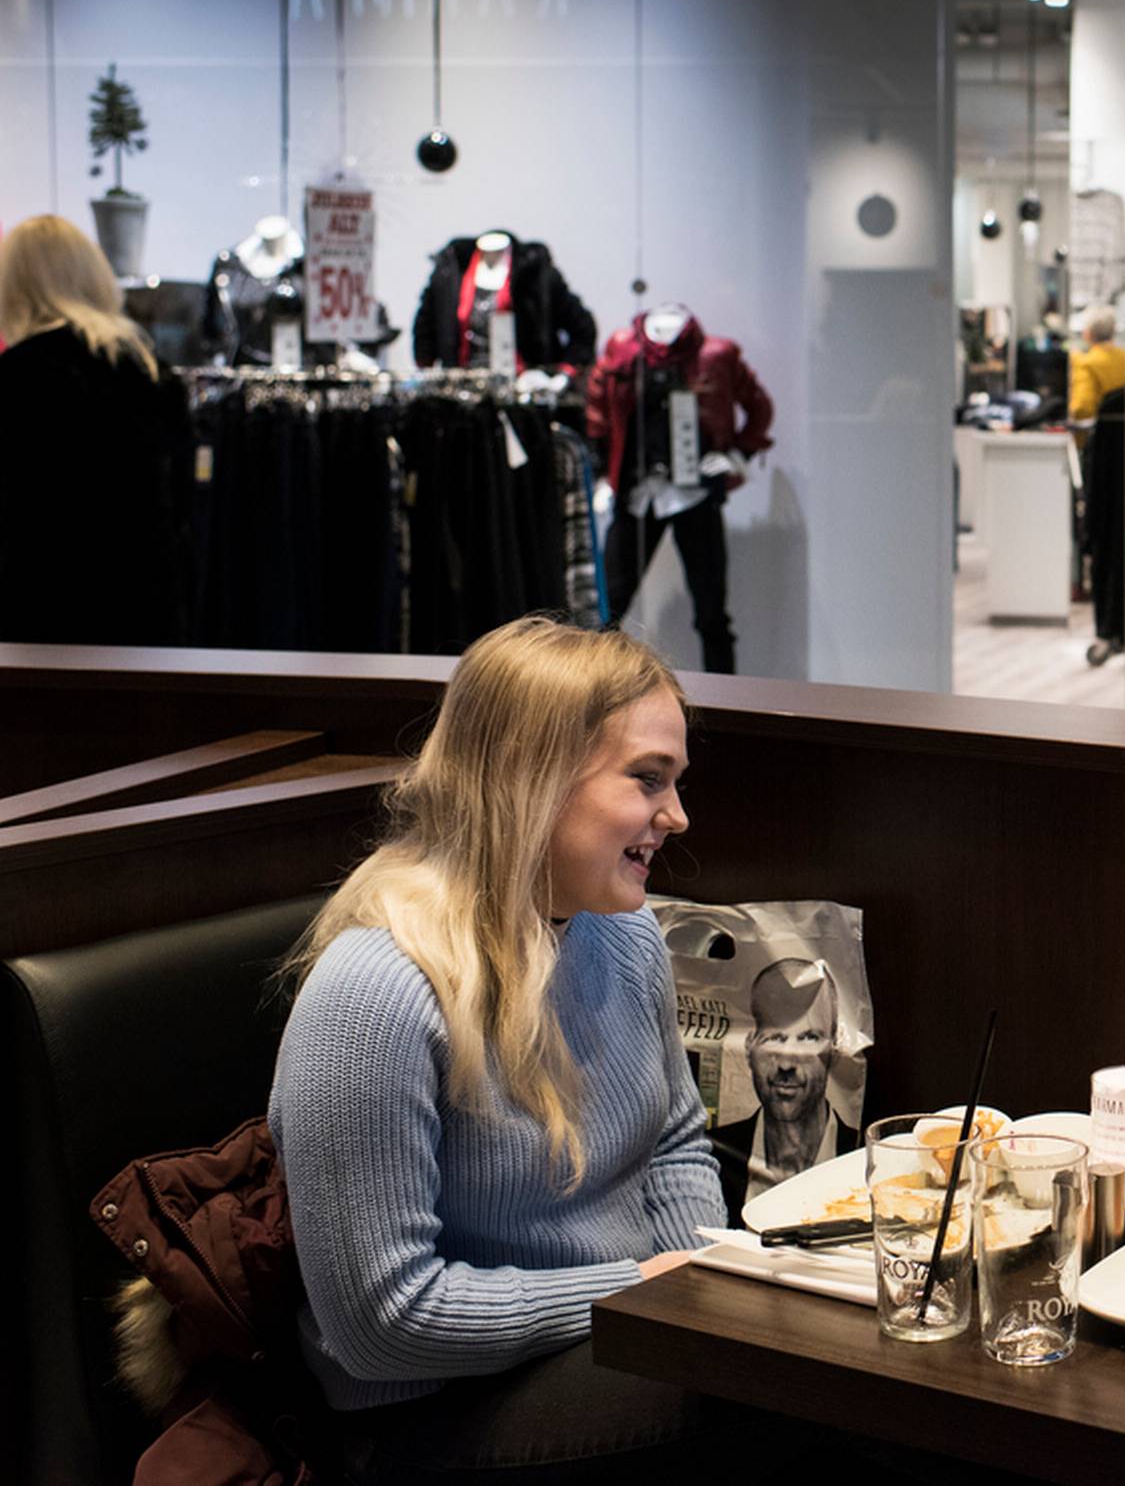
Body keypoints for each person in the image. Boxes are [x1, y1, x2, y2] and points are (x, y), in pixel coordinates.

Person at [269, 617, 799, 1481]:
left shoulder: (618, 932)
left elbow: (669, 1139)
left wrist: (690, 1287)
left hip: (600, 1334)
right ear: (534, 777)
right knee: (773, 1398)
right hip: (424, 1415)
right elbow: (382, 1320)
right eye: (647, 779)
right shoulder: (372, 997)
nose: (677, 814)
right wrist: (633, 1292)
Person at [0, 213, 192, 645]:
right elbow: (181, 507)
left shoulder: (16, 377)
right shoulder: (153, 373)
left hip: (40, 622)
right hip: (146, 617)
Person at [707, 956, 848, 1214]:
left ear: (835, 1049)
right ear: (749, 1047)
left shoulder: (864, 1157)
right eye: (774, 1037)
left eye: (808, 1038)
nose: (786, 1064)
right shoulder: (712, 1156)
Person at [1065, 304, 1125, 422]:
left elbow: (1082, 409)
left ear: (1088, 333)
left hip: (1098, 435)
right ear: (1113, 331)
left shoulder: (1085, 363)